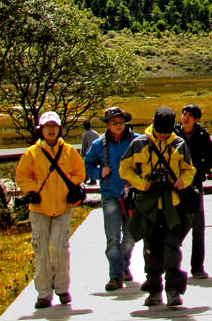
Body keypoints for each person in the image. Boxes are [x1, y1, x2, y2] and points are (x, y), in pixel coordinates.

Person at [119, 106, 196, 308]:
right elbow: (124, 169)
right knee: (151, 249)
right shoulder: (139, 144)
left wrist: (182, 181)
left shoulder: (179, 144)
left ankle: (173, 290)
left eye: (166, 133)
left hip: (173, 204)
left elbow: (189, 170)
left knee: (172, 248)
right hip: (148, 203)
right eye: (160, 132)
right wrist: (141, 183)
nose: (162, 136)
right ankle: (154, 289)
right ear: (153, 125)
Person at [14, 111, 86, 310]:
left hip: (63, 207)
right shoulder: (32, 153)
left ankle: (62, 288)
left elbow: (80, 172)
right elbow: (22, 176)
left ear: (59, 129)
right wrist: (33, 190)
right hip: (39, 209)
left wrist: (69, 187)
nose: (51, 130)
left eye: (54, 126)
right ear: (41, 130)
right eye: (47, 127)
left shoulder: (70, 152)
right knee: (42, 251)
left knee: (62, 249)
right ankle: (44, 294)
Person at [84, 106, 138, 291]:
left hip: (132, 195)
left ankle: (123, 265)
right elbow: (87, 165)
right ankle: (115, 276)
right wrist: (99, 172)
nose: (118, 125)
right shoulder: (99, 145)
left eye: (121, 122)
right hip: (110, 195)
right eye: (114, 122)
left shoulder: (137, 140)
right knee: (113, 238)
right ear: (107, 124)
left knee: (131, 237)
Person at [174, 103, 212, 280]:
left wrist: (198, 173)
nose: (186, 118)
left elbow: (210, 159)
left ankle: (197, 267)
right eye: (184, 114)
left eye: (190, 115)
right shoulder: (173, 133)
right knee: (176, 223)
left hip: (195, 184)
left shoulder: (202, 134)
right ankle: (171, 258)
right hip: (175, 184)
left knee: (198, 226)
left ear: (196, 119)